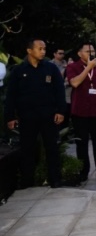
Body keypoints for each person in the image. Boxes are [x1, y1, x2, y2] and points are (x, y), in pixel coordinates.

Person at [5, 39, 66, 188]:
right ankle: (27, 180)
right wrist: (10, 116)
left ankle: (55, 179)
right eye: (40, 49)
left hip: (48, 115)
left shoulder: (50, 68)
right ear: (29, 50)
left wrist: (61, 111)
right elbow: (11, 95)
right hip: (27, 117)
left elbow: (59, 91)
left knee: (51, 147)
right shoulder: (18, 71)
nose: (43, 51)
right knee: (27, 149)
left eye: (44, 49)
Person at [65, 42, 96, 181]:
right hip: (80, 111)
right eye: (87, 51)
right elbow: (74, 83)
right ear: (79, 53)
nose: (91, 53)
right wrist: (88, 68)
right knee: (82, 142)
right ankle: (83, 171)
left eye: (92, 51)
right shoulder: (72, 67)